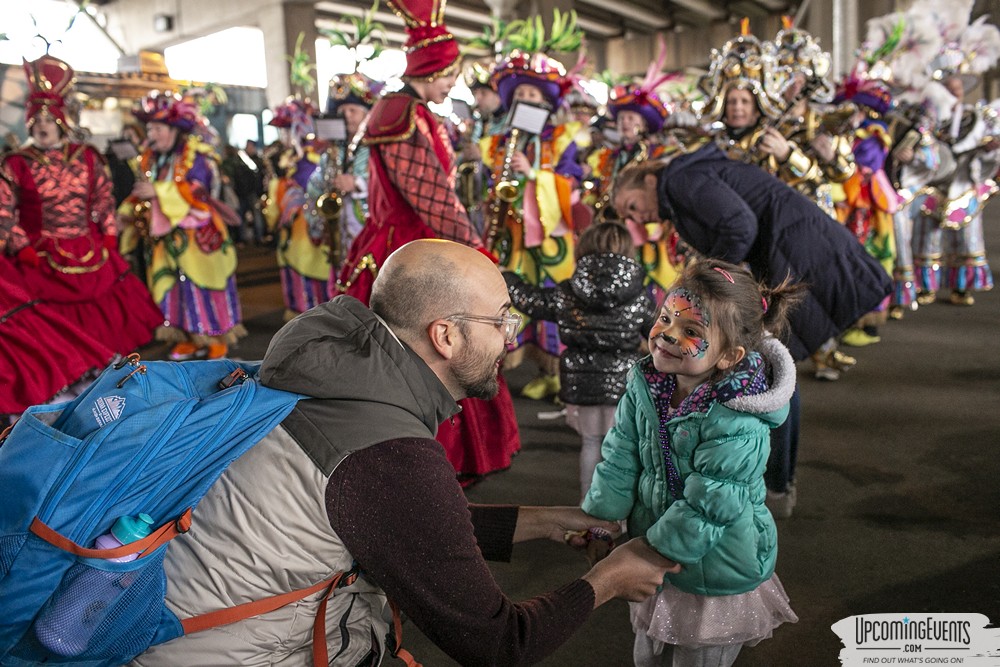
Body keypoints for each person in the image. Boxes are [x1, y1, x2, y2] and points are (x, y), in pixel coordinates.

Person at [132, 239, 678, 666]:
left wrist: (549, 521)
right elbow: (497, 643)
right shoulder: (389, 455)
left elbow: (392, 521)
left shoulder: (333, 371)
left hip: (172, 633)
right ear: (445, 335)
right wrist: (612, 577)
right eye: (502, 321)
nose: (511, 339)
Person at [612, 143, 893, 519]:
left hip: (791, 254)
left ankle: (770, 483)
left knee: (770, 373)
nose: (637, 217)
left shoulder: (679, 179)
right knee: (776, 370)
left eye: (631, 205)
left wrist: (709, 281)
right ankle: (776, 482)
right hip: (790, 251)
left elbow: (738, 226)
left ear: (648, 179)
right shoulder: (683, 182)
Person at [336, 0, 520, 487]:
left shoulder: (404, 110)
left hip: (394, 241)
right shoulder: (403, 113)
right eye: (448, 74)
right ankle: (425, 457)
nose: (451, 84)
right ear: (429, 67)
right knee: (437, 347)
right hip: (414, 245)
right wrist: (473, 248)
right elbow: (431, 197)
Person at [583, 259, 803, 666]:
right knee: (646, 656)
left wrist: (649, 553)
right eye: (666, 318)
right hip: (655, 552)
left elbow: (710, 504)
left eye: (690, 332)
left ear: (728, 356)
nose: (666, 335)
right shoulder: (647, 384)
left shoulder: (739, 419)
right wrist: (600, 520)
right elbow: (620, 455)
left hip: (716, 565)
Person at [0, 55, 162, 358]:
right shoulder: (15, 163)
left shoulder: (87, 156)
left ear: (62, 121)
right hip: (39, 253)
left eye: (49, 120)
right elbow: (4, 212)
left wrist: (109, 233)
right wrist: (21, 246)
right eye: (37, 121)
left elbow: (104, 197)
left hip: (90, 248)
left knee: (108, 318)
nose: (43, 127)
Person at [504, 222, 657, 500]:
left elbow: (530, 300)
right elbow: (659, 334)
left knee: (589, 444)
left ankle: (589, 506)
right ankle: (618, 514)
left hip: (580, 383)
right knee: (622, 449)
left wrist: (507, 277)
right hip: (625, 385)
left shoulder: (567, 293)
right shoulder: (640, 297)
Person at [483, 40, 587, 401]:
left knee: (552, 299)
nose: (526, 97)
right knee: (513, 296)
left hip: (550, 238)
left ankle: (561, 375)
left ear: (545, 102)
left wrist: (534, 176)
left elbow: (571, 185)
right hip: (512, 234)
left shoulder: (561, 139)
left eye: (533, 92)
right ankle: (538, 367)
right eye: (521, 92)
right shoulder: (498, 141)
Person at [123, 91, 246, 360]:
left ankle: (216, 337)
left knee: (205, 285)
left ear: (174, 130)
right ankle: (191, 336)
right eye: (150, 128)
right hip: (168, 238)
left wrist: (158, 192)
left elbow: (200, 191)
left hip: (200, 236)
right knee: (176, 287)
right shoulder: (154, 159)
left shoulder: (197, 157)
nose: (151, 134)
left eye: (157, 128)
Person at [264, 97, 331, 321]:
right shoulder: (291, 157)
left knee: (312, 276)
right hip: (293, 231)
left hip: (309, 229)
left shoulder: (312, 159)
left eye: (285, 129)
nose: (282, 136)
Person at [305, 72, 377, 278]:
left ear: (367, 115)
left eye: (353, 110)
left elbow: (390, 186)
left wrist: (357, 183)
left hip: (368, 232)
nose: (346, 115)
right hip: (339, 231)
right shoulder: (331, 150)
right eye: (342, 110)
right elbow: (314, 185)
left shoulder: (378, 149)